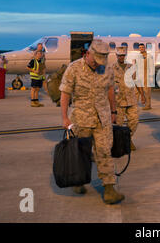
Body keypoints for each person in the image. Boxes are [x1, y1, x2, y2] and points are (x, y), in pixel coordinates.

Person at [59, 40, 125, 204]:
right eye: (95, 60)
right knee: (81, 152)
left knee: (104, 152)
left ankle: (109, 189)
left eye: (101, 61)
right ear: (87, 54)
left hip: (102, 119)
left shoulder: (107, 69)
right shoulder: (73, 68)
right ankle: (79, 181)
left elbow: (110, 90)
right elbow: (65, 94)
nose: (97, 64)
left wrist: (113, 111)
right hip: (81, 119)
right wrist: (65, 118)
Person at [112, 46, 145, 151]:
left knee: (134, 121)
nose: (121, 57)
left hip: (131, 99)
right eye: (119, 55)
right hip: (118, 101)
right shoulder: (111, 69)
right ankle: (118, 143)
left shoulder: (131, 67)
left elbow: (137, 81)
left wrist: (142, 95)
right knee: (118, 124)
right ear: (116, 55)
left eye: (123, 55)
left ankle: (128, 139)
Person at [137, 43, 154, 110]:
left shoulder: (149, 56)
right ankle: (135, 104)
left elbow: (152, 66)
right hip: (139, 76)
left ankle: (148, 105)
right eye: (140, 47)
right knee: (137, 91)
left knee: (146, 91)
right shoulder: (138, 56)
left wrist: (151, 76)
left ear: (145, 48)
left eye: (142, 47)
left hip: (146, 76)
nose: (141, 48)